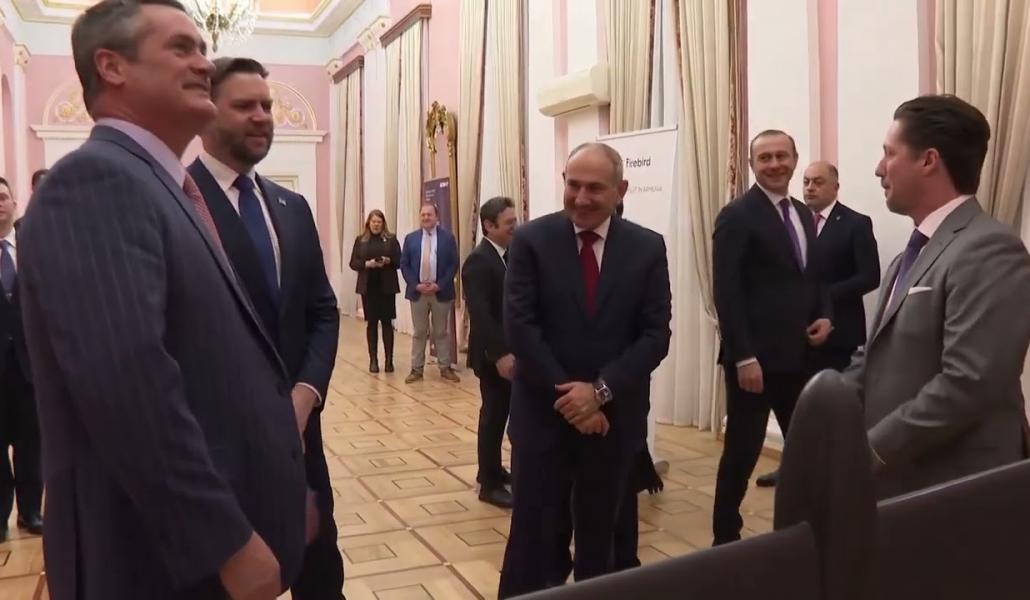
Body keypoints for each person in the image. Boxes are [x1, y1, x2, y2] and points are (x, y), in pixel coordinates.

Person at [18, 2, 308, 597]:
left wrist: (274, 487)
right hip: (151, 559)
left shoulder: (159, 184)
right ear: (112, 66)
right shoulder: (95, 181)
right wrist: (227, 542)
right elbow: (130, 389)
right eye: (181, 48)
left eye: (203, 48)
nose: (205, 64)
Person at [186, 56, 343, 599]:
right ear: (206, 112)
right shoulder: (177, 200)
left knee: (320, 573)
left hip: (301, 437)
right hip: (220, 447)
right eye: (244, 106)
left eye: (267, 105)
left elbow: (322, 310)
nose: (261, 116)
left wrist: (306, 393)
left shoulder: (290, 206)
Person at [498, 142, 672, 598]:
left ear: (621, 190)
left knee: (606, 545)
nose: (581, 197)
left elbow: (655, 335)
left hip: (613, 423)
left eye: (595, 188)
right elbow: (521, 328)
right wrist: (574, 398)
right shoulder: (531, 241)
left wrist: (599, 392)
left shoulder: (647, 247)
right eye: (573, 185)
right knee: (533, 544)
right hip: (542, 419)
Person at [844, 94, 1030, 500]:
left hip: (958, 485)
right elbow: (875, 357)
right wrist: (821, 407)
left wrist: (872, 448)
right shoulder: (907, 257)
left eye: (889, 153)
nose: (878, 168)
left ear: (928, 160)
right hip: (904, 480)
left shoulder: (989, 248)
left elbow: (970, 381)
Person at [710, 130, 832, 544]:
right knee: (742, 454)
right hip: (755, 364)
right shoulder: (736, 215)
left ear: (795, 160)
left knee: (805, 449)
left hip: (800, 358)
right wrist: (744, 357)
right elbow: (727, 292)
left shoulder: (803, 213)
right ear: (752, 165)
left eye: (782, 156)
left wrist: (825, 314)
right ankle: (725, 539)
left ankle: (800, 529)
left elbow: (813, 276)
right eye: (765, 158)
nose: (775, 164)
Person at [461, 196, 517, 509]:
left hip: (511, 353)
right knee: (493, 418)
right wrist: (500, 355)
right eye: (509, 223)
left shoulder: (509, 255)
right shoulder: (478, 261)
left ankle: (495, 469)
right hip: (493, 357)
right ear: (489, 225)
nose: (515, 227)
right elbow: (482, 315)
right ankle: (488, 482)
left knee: (503, 414)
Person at [803, 161, 880, 373]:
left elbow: (870, 276)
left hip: (840, 334)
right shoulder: (795, 223)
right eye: (806, 182)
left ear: (835, 187)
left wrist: (825, 294)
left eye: (818, 182)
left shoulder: (856, 223)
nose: (810, 188)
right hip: (799, 336)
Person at [0, 176, 43, 540]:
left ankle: (31, 512)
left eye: (2, 197)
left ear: (15, 203)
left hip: (30, 368)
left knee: (32, 444)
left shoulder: (33, 247)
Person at [400, 202, 460, 384]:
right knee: (419, 332)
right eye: (423, 215)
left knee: (441, 332)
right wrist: (415, 284)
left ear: (436, 217)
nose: (426, 217)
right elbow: (404, 265)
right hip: (417, 293)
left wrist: (439, 285)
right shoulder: (410, 239)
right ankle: (416, 369)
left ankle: (445, 367)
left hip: (440, 292)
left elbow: (453, 264)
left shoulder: (448, 238)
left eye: (429, 214)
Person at [350, 209, 401, 373]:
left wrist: (388, 260)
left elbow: (399, 261)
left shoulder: (391, 239)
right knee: (372, 324)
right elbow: (353, 263)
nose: (376, 225)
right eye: (373, 221)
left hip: (386, 288)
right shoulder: (361, 240)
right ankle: (373, 360)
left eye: (379, 222)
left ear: (383, 223)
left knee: (387, 323)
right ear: (368, 223)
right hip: (369, 288)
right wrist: (367, 264)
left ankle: (389, 361)